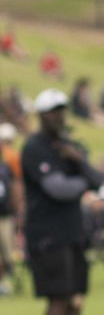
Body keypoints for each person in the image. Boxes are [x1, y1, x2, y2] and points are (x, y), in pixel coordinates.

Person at [21, 89, 104, 315]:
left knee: (75, 299)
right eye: (52, 112)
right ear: (41, 115)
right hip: (47, 235)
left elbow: (98, 180)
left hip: (73, 232)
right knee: (58, 299)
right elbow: (58, 190)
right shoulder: (34, 148)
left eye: (61, 111)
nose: (58, 117)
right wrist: (83, 182)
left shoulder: (69, 146)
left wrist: (79, 161)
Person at [0, 122, 22, 296]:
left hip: (6, 214)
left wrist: (17, 208)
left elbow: (16, 185)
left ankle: (5, 280)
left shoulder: (8, 164)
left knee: (8, 253)